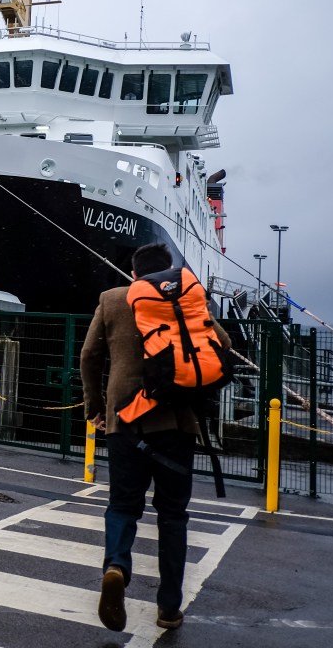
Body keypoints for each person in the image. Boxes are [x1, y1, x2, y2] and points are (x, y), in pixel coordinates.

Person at [80, 242, 230, 633]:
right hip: (177, 426)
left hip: (125, 422)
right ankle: (168, 608)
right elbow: (224, 347)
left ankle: (116, 566)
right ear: (169, 272)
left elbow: (89, 356)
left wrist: (94, 406)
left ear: (134, 273)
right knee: (173, 517)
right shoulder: (185, 299)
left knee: (123, 505)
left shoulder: (112, 300)